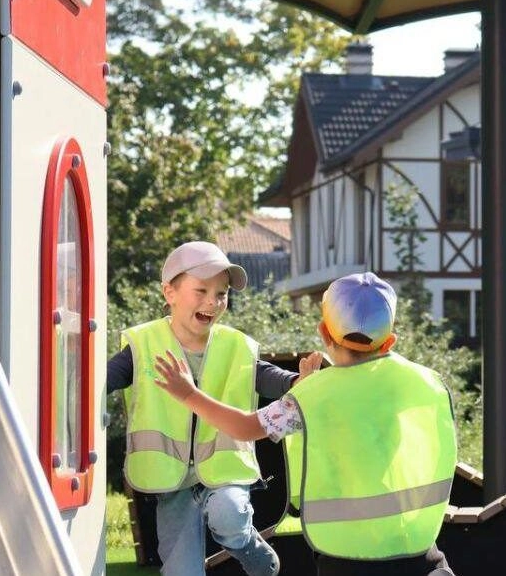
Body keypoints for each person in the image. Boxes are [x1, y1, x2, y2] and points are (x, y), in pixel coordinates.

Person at [153, 272, 458, 576]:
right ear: (390, 340)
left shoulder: (311, 395)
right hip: (416, 548)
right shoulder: (426, 382)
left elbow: (245, 428)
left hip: (346, 556)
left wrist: (189, 394)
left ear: (324, 333)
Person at [108, 241, 323, 576]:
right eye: (201, 290)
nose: (213, 301)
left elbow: (266, 376)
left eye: (221, 293)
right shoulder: (143, 345)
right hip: (172, 482)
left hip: (224, 474)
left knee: (230, 513)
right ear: (170, 292)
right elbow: (105, 379)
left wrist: (296, 382)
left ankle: (246, 544)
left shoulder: (235, 345)